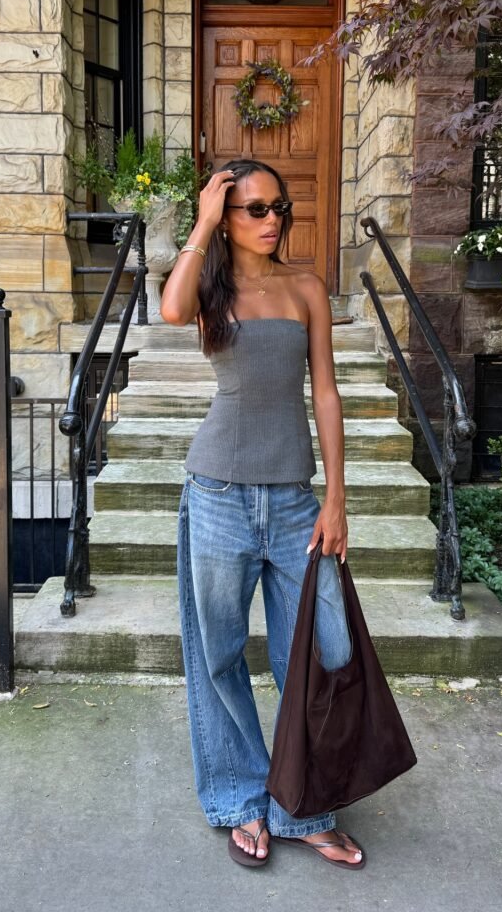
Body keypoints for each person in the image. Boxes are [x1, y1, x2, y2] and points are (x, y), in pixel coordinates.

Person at [160, 160, 365, 870]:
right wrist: (200, 223)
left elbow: (327, 396)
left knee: (318, 656)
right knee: (218, 656)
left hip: (294, 503)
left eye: (278, 206)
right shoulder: (212, 289)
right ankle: (241, 799)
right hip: (215, 493)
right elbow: (169, 309)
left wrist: (336, 498)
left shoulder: (306, 286)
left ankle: (300, 804)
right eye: (252, 208)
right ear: (226, 215)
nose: (270, 218)